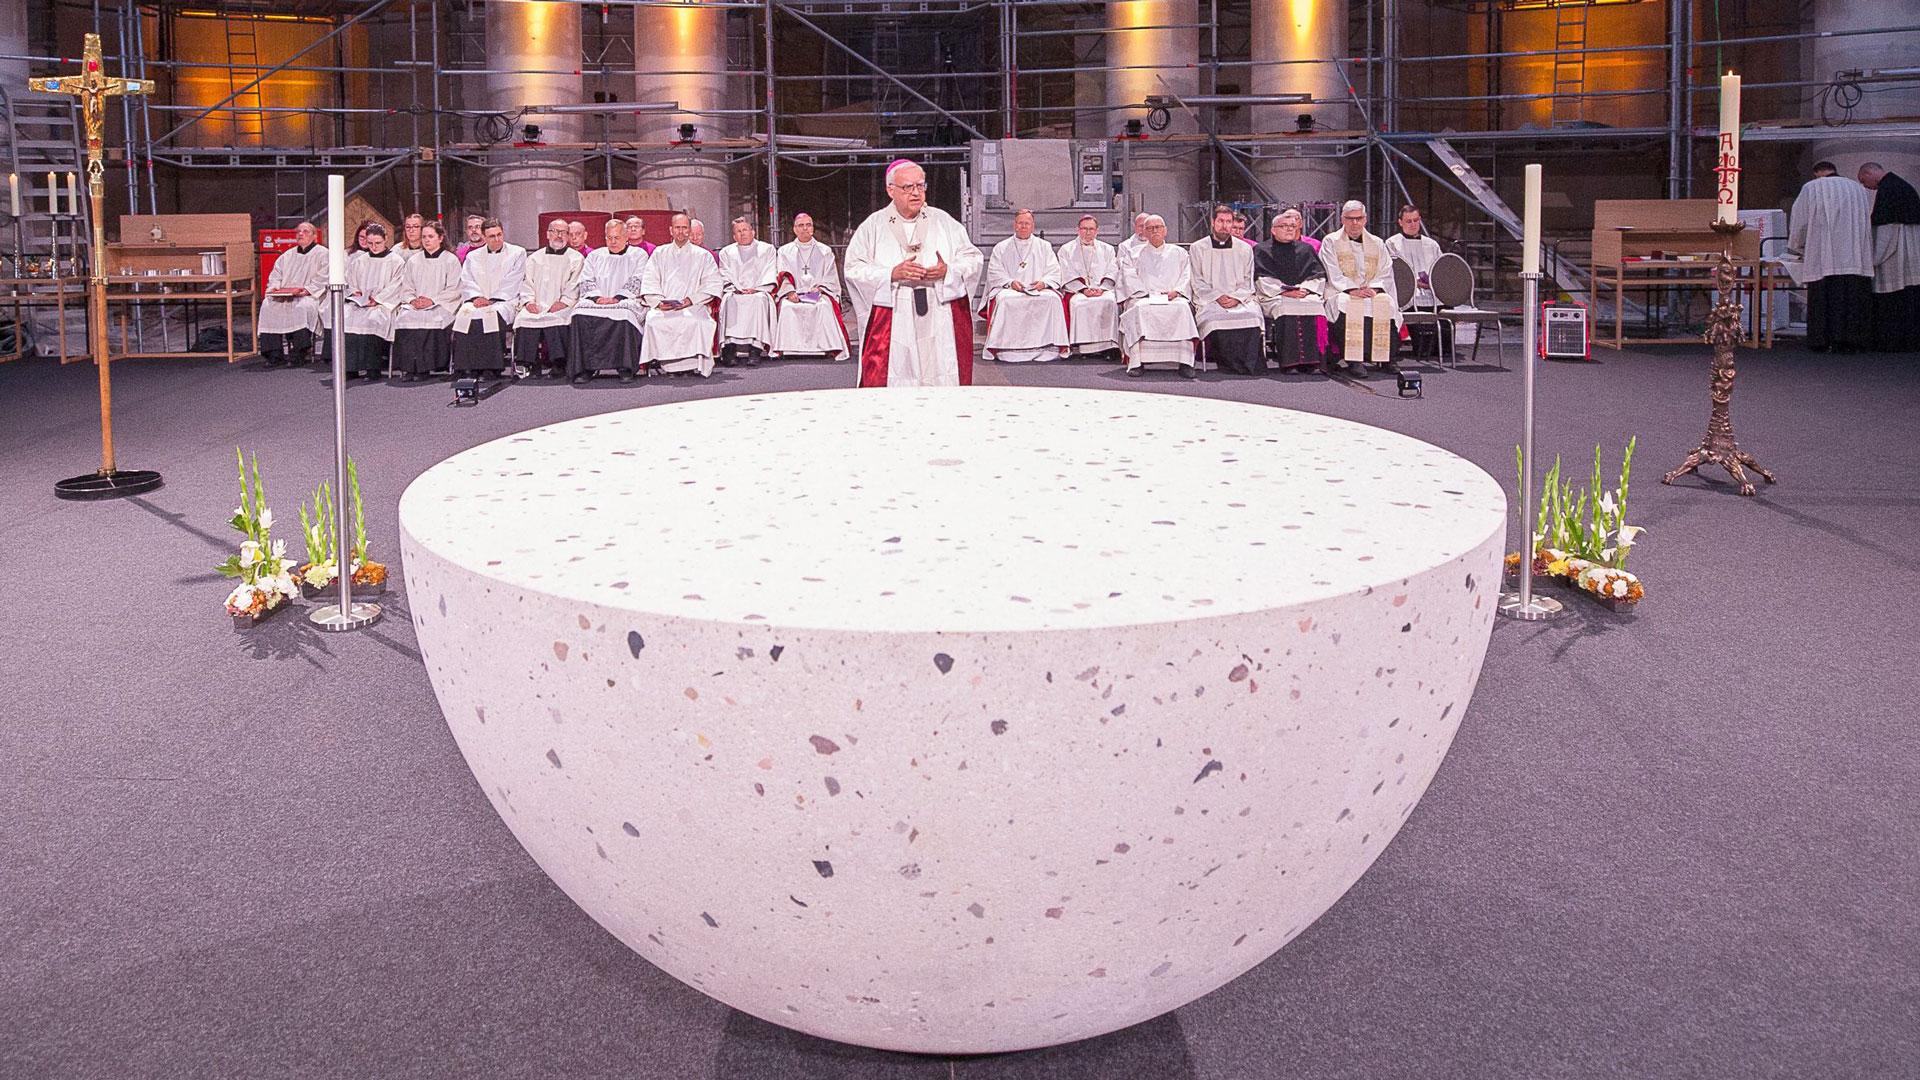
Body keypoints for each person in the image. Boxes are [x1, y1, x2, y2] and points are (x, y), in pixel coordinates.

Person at [843, 158, 984, 387]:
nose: (916, 193)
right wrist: (891, 274)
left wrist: (948, 271)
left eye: (921, 186)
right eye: (908, 187)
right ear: (891, 190)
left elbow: (972, 258)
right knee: (898, 376)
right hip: (896, 313)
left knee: (938, 372)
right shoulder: (873, 226)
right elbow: (853, 268)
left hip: (938, 311)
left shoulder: (943, 221)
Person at [1786, 162, 1875, 353]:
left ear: (1817, 173)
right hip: (1854, 255)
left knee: (1823, 299)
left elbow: (1800, 220)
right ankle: (1850, 342)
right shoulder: (1858, 189)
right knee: (1850, 299)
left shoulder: (1812, 187)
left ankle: (1821, 341)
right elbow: (1867, 220)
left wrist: (1797, 245)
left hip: (1823, 254)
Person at [1319, 200, 1401, 371]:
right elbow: (1331, 270)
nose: (1354, 223)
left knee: (1387, 303)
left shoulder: (1377, 243)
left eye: (1358, 218)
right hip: (1343, 291)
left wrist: (1375, 288)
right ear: (1342, 219)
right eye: (1350, 218)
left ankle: (1387, 358)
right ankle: (1354, 360)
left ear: (1365, 219)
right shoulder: (1331, 241)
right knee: (1345, 303)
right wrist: (1352, 289)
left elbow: (1385, 270)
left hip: (1372, 290)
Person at [640, 211, 724, 377]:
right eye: (677, 228)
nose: (681, 231)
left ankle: (690, 365)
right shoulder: (659, 253)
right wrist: (658, 302)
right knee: (654, 320)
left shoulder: (703, 256)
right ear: (671, 230)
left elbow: (712, 283)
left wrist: (690, 300)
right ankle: (668, 366)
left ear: (689, 230)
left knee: (695, 321)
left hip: (693, 305)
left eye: (684, 228)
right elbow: (650, 280)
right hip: (664, 305)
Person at [979, 209, 1069, 363]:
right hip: (1010, 290)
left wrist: (1044, 283)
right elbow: (994, 271)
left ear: (1033, 226)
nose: (1023, 226)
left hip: (1038, 289)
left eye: (1027, 223)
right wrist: (1009, 282)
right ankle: (1006, 348)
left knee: (1053, 299)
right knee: (1005, 301)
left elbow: (1054, 270)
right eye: (1020, 223)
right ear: (1015, 225)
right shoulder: (1001, 247)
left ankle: (1048, 346)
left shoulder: (1044, 246)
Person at [1118, 215, 1199, 379]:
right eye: (1150, 228)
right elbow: (1128, 277)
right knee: (1139, 308)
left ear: (1165, 231)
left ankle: (1185, 362)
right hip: (1143, 297)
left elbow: (1187, 275)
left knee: (1182, 308)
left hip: (1173, 297)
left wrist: (1176, 291)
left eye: (1158, 227)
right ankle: (1138, 362)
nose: (1155, 231)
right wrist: (1147, 294)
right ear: (1144, 232)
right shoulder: (1133, 254)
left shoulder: (1179, 252)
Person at [571, 217, 650, 383]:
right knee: (579, 314)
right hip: (597, 300)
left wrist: (617, 298)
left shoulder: (639, 255)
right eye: (609, 238)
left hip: (626, 299)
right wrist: (597, 297)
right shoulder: (594, 256)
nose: (612, 242)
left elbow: (639, 279)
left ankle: (625, 368)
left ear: (626, 236)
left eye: (617, 238)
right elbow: (586, 279)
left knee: (625, 314)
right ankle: (586, 368)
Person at [1189, 203, 1265, 376]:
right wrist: (1217, 297)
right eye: (1221, 221)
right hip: (1210, 299)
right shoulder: (1198, 248)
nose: (1225, 225)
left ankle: (1249, 365)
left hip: (1239, 298)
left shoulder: (1244, 249)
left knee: (1252, 315)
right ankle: (1228, 364)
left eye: (1228, 221)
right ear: (1213, 222)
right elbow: (1197, 280)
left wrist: (1236, 298)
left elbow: (1248, 279)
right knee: (1216, 316)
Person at [1254, 208, 1330, 373]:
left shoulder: (1306, 249)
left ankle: (1314, 362)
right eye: (1284, 226)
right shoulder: (1262, 249)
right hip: (1274, 296)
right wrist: (1284, 291)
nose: (1289, 229)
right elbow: (1261, 278)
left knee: (1315, 306)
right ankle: (1290, 363)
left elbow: (1318, 275)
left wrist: (1305, 289)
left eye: (1292, 226)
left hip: (1303, 293)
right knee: (1286, 307)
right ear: (1273, 230)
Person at [451, 218, 527, 377]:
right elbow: (467, 280)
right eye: (492, 236)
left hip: (504, 301)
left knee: (492, 315)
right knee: (464, 315)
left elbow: (514, 280)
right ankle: (467, 367)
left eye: (499, 234)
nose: (497, 239)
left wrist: (493, 299)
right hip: (477, 300)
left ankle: (491, 368)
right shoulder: (473, 256)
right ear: (484, 238)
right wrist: (476, 297)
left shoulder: (517, 253)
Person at [772, 212, 852, 361]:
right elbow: (781, 274)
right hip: (793, 294)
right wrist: (789, 292)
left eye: (808, 225)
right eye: (800, 226)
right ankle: (791, 348)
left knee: (823, 307)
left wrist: (820, 288)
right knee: (787, 307)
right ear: (794, 229)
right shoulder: (784, 251)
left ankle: (823, 347)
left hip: (817, 294)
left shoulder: (824, 250)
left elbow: (830, 276)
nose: (805, 229)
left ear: (813, 228)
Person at [390, 222, 463, 380]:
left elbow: (454, 289)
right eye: (424, 237)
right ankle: (409, 368)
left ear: (441, 238)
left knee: (431, 318)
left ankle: (426, 368)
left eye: (431, 236)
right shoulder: (414, 261)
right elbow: (407, 287)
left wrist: (432, 301)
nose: (426, 240)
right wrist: (412, 300)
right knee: (405, 317)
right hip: (417, 304)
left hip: (441, 305)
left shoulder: (450, 260)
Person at [1860, 161, 1920, 353]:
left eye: (1863, 180)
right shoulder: (1901, 186)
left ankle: (1890, 342)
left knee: (1892, 301)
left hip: (1896, 258)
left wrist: (1871, 259)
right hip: (1911, 252)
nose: (1865, 186)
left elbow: (1887, 230)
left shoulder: (1887, 190)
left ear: (1870, 173)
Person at [514, 218, 584, 378]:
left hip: (562, 305)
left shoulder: (576, 258)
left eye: (563, 233)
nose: (559, 236)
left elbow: (575, 284)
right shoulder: (534, 258)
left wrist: (564, 301)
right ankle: (530, 364)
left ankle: (559, 364)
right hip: (536, 303)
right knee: (525, 318)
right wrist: (528, 301)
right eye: (555, 232)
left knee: (557, 318)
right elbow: (526, 282)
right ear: (548, 234)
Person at [258, 220, 327, 368]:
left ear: (314, 236)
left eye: (305, 231)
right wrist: (276, 288)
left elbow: (324, 277)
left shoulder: (323, 254)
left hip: (309, 296)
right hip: (286, 295)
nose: (300, 234)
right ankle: (274, 354)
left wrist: (307, 290)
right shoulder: (287, 255)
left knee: (302, 307)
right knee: (267, 305)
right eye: (298, 232)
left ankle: (299, 353)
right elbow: (276, 275)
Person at [341, 223, 404, 378]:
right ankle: (351, 368)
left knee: (373, 317)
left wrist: (377, 300)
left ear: (386, 239)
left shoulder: (396, 261)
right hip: (362, 303)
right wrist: (355, 294)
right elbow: (351, 281)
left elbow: (397, 285)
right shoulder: (360, 260)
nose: (374, 247)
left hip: (383, 304)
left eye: (378, 243)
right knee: (347, 315)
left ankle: (372, 369)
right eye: (370, 244)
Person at [1384, 204, 1447, 358]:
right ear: (1400, 222)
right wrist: (1416, 283)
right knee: (1423, 348)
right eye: (1408, 221)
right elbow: (1395, 272)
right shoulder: (1392, 243)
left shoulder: (1431, 244)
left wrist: (1432, 282)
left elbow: (1441, 268)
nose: (1413, 224)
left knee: (1444, 349)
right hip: (1408, 293)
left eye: (1416, 220)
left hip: (1431, 291)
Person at [1056, 214, 1121, 360]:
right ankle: (1084, 347)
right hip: (1078, 290)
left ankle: (1109, 347)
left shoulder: (1108, 249)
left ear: (1097, 231)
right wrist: (1084, 289)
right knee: (1078, 304)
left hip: (1102, 289)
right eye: (1084, 229)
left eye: (1091, 229)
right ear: (1078, 230)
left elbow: (1112, 270)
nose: (1088, 232)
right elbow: (1066, 272)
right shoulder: (1066, 250)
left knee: (1109, 302)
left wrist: (1102, 288)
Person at [718, 216, 779, 366]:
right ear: (734, 236)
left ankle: (755, 349)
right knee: (729, 300)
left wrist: (756, 289)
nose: (742, 233)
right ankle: (729, 349)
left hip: (758, 291)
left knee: (758, 301)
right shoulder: (726, 252)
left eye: (745, 230)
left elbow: (770, 271)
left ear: (753, 232)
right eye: (738, 231)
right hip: (735, 291)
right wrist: (737, 288)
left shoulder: (767, 249)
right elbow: (724, 274)